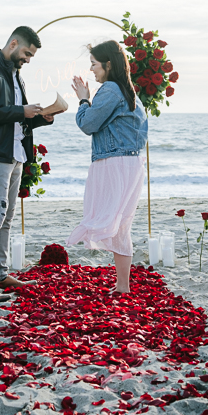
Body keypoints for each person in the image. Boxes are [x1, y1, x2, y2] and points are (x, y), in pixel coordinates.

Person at [0, 27, 55, 303]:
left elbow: (19, 119)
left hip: (16, 152)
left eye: (31, 56)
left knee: (7, 217)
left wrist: (44, 117)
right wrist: (21, 111)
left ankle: (0, 274)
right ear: (13, 43)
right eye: (27, 53)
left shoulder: (16, 75)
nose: (27, 59)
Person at [68, 40, 148, 294]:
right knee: (121, 223)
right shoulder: (126, 90)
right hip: (129, 162)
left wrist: (83, 100)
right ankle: (122, 285)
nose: (91, 69)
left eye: (93, 64)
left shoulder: (111, 90)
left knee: (114, 220)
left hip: (114, 163)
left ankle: (123, 284)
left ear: (108, 64)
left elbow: (88, 124)